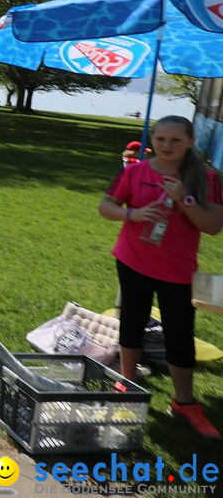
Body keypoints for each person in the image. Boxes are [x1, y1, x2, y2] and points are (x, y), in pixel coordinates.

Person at [98, 115, 223, 440]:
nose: (167, 146)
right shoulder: (135, 170)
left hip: (178, 271)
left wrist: (185, 197)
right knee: (132, 323)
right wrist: (132, 214)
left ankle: (185, 402)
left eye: (176, 140)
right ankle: (126, 383)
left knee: (180, 334)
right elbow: (105, 206)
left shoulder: (207, 178)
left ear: (191, 142)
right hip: (133, 261)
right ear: (153, 139)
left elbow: (212, 226)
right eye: (161, 139)